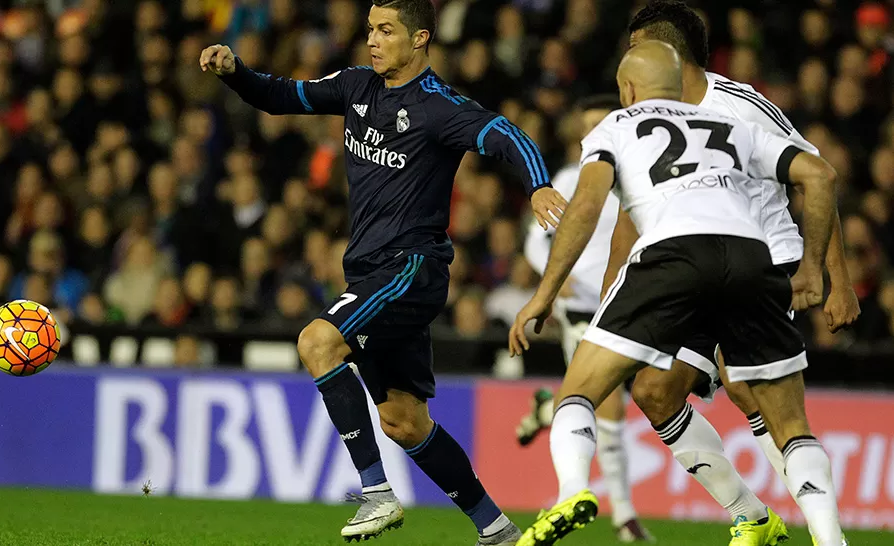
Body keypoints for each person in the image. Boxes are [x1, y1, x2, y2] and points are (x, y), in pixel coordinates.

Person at [201, 0, 568, 544]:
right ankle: (497, 529)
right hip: (371, 272)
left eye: (387, 30)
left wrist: (537, 183)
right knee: (404, 422)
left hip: (410, 268)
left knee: (317, 343)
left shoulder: (440, 106)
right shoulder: (356, 86)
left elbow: (509, 135)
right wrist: (237, 73)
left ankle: (376, 494)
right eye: (371, 29)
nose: (373, 40)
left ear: (420, 38)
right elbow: (281, 98)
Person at [523, 2, 860, 544]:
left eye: (633, 51)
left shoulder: (738, 107)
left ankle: (823, 531)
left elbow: (818, 175)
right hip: (706, 262)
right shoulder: (673, 121)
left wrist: (828, 276)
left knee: (748, 392)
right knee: (655, 391)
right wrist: (619, 291)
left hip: (763, 259)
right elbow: (629, 225)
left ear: (658, 57)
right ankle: (753, 516)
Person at [519, 94, 653, 543]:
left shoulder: (638, 178)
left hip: (626, 301)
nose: (598, 133)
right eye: (590, 125)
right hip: (580, 307)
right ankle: (625, 517)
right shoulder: (567, 179)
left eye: (605, 122)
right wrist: (560, 279)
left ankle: (545, 409)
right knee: (609, 401)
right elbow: (536, 243)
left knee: (593, 395)